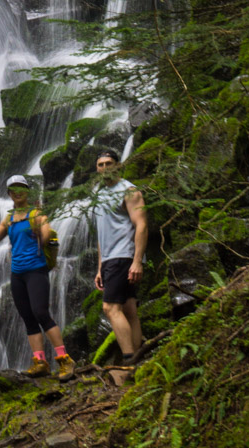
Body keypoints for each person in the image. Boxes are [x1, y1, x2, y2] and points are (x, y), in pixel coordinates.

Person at [0, 174, 76, 379]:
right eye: (14, 189)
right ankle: (40, 362)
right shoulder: (9, 219)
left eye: (22, 188)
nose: (18, 192)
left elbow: (47, 234)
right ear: (9, 193)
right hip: (17, 274)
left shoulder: (36, 214)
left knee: (41, 313)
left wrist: (41, 228)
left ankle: (64, 360)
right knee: (28, 318)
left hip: (36, 271)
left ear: (27, 192)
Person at [93, 149, 147, 376]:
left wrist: (137, 261)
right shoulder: (98, 193)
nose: (105, 168)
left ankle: (128, 363)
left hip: (123, 256)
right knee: (129, 309)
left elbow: (141, 225)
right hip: (109, 260)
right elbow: (101, 233)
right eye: (100, 165)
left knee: (110, 308)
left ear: (118, 165)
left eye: (109, 163)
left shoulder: (129, 191)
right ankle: (137, 356)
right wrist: (100, 267)